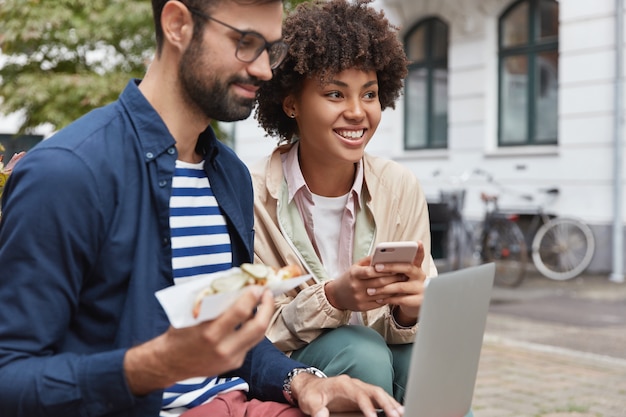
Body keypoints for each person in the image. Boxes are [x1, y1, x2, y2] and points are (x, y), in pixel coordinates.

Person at [0, 1, 405, 417]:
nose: (265, 69)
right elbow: (9, 378)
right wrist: (153, 366)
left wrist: (301, 381)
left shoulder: (229, 174)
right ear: (177, 25)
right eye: (246, 43)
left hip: (234, 403)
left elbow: (233, 337)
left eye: (271, 48)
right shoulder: (67, 173)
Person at [252, 0, 436, 404]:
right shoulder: (250, 195)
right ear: (292, 104)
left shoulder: (399, 186)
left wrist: (410, 311)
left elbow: (414, 325)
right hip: (294, 369)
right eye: (335, 93)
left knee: (429, 362)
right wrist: (333, 299)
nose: (357, 112)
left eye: (369, 94)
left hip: (380, 354)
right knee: (361, 350)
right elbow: (256, 334)